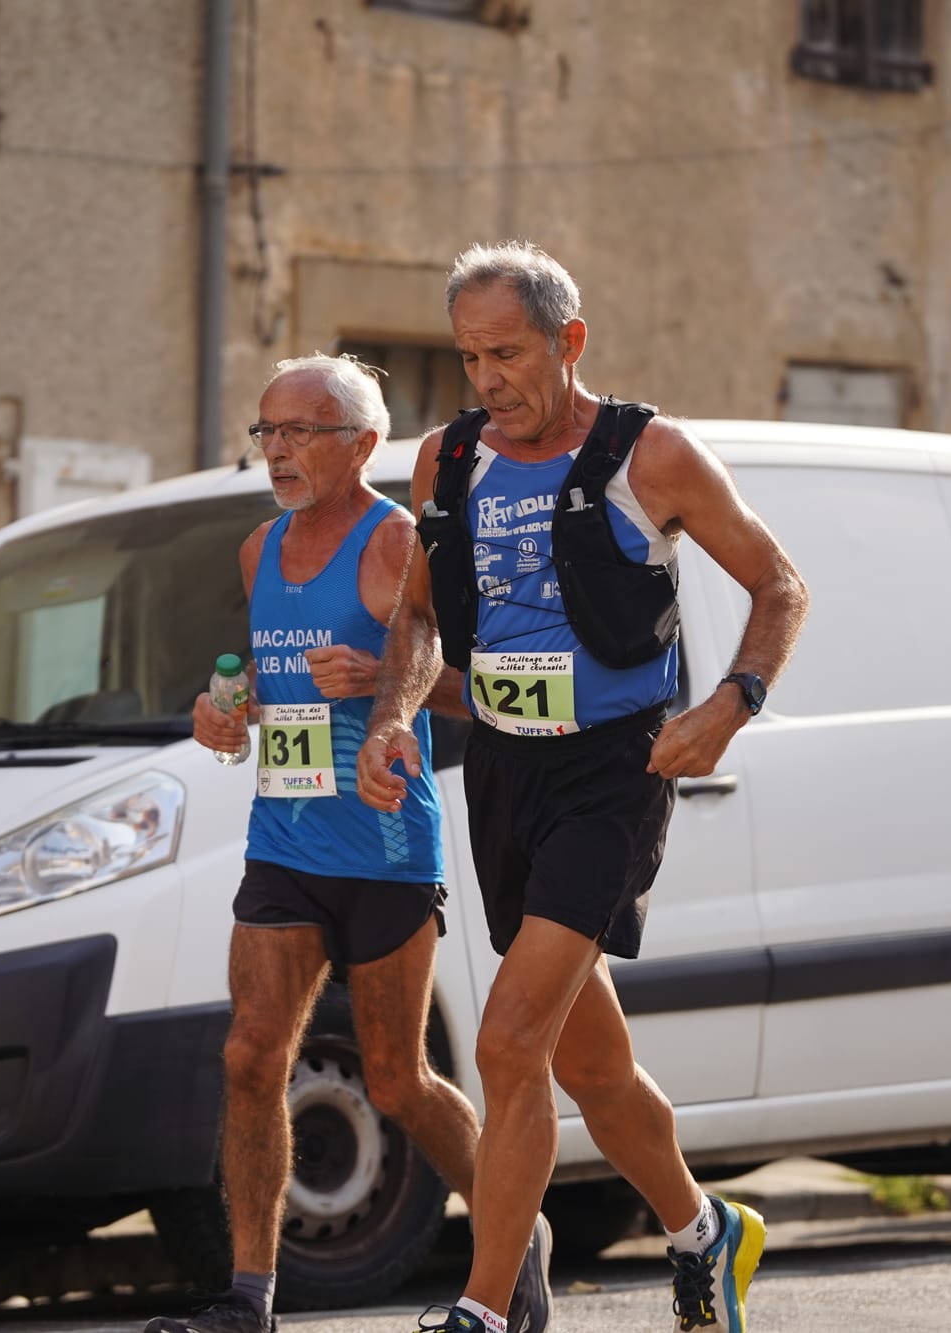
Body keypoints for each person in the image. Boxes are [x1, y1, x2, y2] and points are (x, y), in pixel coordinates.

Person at [357, 243, 809, 1333]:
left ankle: (483, 1310)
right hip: (505, 766)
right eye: (469, 358)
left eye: (506, 353)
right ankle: (705, 1230)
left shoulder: (647, 455)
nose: (488, 379)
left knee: (507, 1043)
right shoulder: (446, 461)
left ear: (568, 341)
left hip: (615, 769)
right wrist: (392, 711)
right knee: (589, 1066)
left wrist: (730, 703)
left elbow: (778, 584)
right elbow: (419, 614)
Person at [147, 354, 552, 1333]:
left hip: (380, 846)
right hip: (283, 838)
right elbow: (257, 682)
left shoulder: (396, 542)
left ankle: (516, 1237)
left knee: (396, 1078)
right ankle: (248, 1297)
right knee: (250, 1056)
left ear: (361, 445)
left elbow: (457, 673)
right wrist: (224, 711)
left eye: (298, 432)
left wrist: (383, 686)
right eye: (266, 431)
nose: (276, 452)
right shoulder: (258, 549)